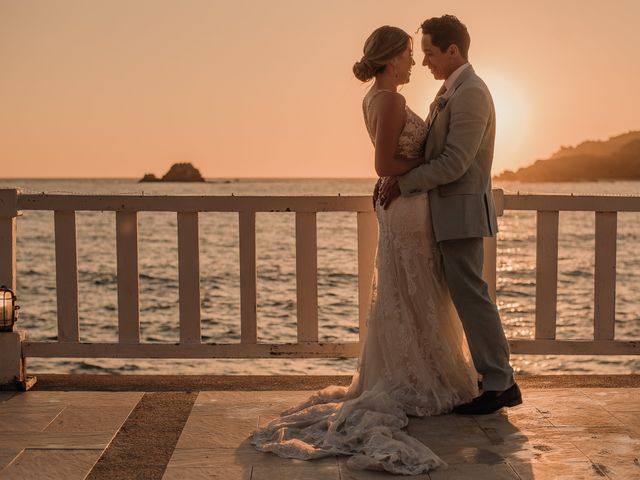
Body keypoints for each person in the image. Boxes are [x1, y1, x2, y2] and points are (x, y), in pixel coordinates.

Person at [250, 25, 479, 475]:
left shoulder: (377, 97)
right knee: (413, 290)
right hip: (406, 204)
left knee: (412, 291)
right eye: (410, 55)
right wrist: (431, 164)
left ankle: (417, 371)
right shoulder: (389, 100)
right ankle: (415, 378)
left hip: (405, 205)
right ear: (392, 58)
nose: (415, 61)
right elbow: (383, 164)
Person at [377, 15, 521, 414]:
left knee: (472, 296)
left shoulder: (472, 93)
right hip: (442, 214)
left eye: (430, 53)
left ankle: (500, 381)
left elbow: (455, 162)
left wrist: (405, 184)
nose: (424, 62)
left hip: (460, 211)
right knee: (457, 296)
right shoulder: (449, 92)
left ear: (453, 50)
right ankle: (479, 374)